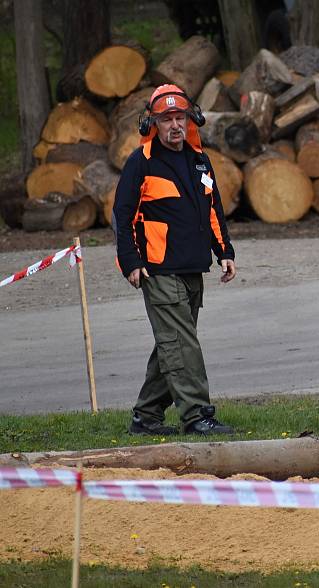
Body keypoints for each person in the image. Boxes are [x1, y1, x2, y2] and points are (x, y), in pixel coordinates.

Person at [113, 83, 237, 435]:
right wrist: (130, 262)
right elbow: (122, 216)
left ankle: (146, 416)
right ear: (152, 123)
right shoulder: (142, 162)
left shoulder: (200, 159)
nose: (174, 125)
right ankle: (198, 415)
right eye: (166, 119)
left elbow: (213, 209)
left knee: (173, 344)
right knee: (182, 343)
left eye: (179, 117)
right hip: (157, 269)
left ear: (190, 119)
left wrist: (224, 251)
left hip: (192, 267)